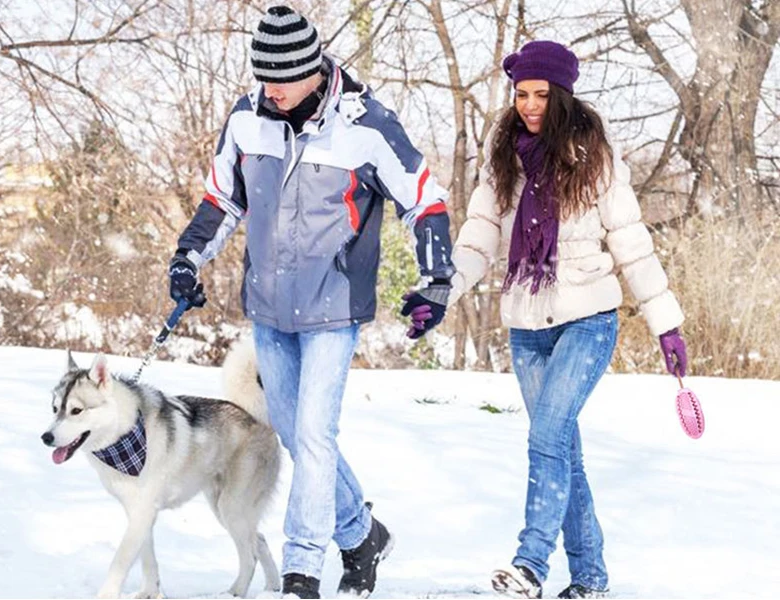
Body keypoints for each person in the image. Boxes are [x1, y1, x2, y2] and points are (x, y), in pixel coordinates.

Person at [167, 6, 455, 599]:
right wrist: (187, 259)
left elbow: (424, 200)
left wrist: (436, 279)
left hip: (333, 307)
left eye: (282, 78)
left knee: (316, 435)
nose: (270, 89)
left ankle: (302, 570)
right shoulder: (247, 119)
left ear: (314, 70)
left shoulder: (367, 125)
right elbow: (223, 199)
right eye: (262, 77)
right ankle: (361, 533)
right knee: (298, 436)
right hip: (270, 308)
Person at [446, 41, 688, 599]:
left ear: (561, 95)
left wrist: (665, 323)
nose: (529, 105)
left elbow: (632, 245)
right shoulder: (503, 155)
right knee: (562, 452)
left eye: (540, 95)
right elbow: (480, 236)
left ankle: (530, 562)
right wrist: (444, 289)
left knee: (548, 436)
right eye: (522, 94)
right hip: (527, 326)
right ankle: (591, 579)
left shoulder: (594, 158)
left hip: (587, 320)